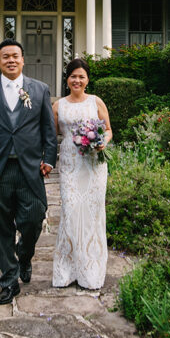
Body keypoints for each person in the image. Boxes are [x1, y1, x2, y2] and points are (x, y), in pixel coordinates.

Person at [0, 38, 59, 305]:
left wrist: (49, 159)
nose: (10, 60)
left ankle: (25, 255)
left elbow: (48, 130)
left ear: (22, 60)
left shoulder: (40, 90)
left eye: (15, 56)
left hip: (29, 168)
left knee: (34, 217)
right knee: (0, 226)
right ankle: (9, 279)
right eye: (5, 56)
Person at [51, 58, 111, 289]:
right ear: (67, 79)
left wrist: (102, 142)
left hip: (93, 165)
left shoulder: (96, 102)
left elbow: (108, 129)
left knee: (92, 213)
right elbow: (52, 134)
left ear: (87, 79)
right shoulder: (58, 106)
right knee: (70, 211)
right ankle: (67, 271)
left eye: (81, 76)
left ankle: (90, 270)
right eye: (73, 76)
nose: (77, 80)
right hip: (69, 165)